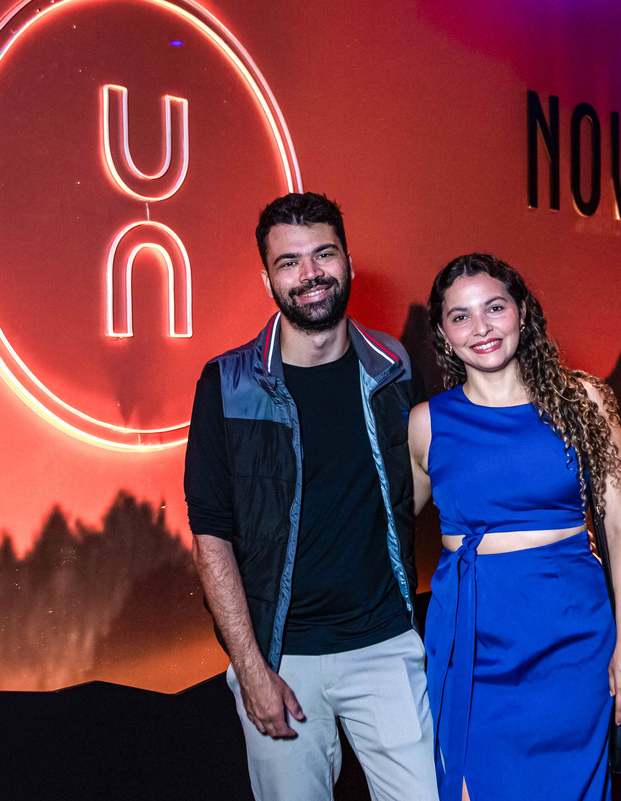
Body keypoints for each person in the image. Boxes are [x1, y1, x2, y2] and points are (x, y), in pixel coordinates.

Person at [184, 192, 437, 801]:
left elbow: (410, 488)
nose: (310, 274)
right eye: (289, 262)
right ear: (267, 278)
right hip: (281, 657)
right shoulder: (227, 383)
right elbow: (210, 537)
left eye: (323, 254)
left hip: (385, 641)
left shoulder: (394, 366)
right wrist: (251, 669)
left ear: (348, 260)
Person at [407, 253, 621, 801]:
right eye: (461, 316)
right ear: (443, 334)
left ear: (522, 311)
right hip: (473, 640)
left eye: (495, 308)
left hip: (572, 637)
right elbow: (388, 529)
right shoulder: (426, 424)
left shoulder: (584, 401)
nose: (482, 328)